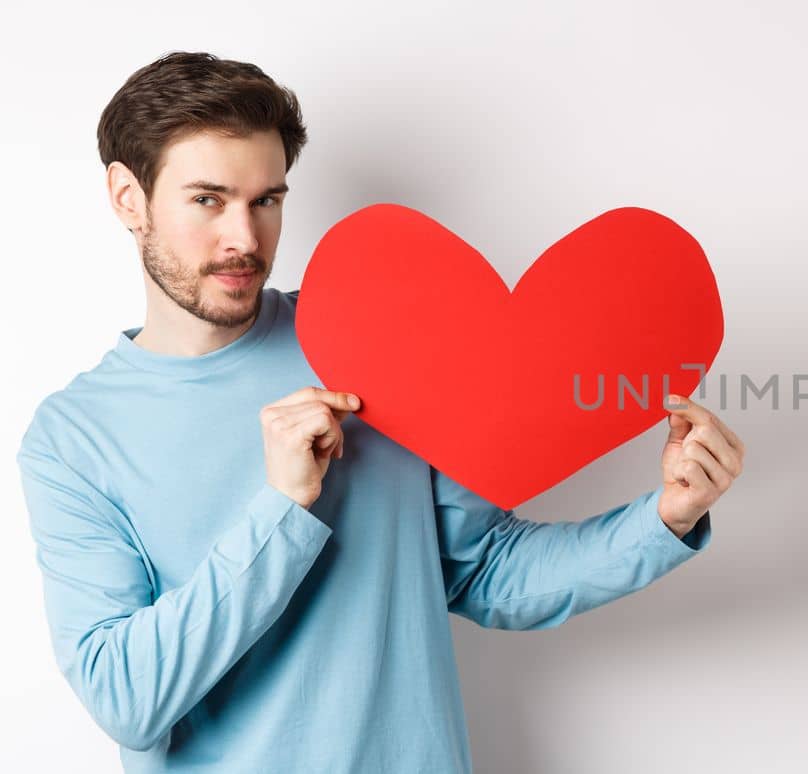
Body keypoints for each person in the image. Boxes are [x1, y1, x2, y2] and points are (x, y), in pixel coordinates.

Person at [15, 50, 745, 773]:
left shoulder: (371, 337)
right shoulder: (71, 438)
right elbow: (126, 699)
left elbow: (482, 572)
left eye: (267, 200)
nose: (245, 238)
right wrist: (283, 510)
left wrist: (665, 519)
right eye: (208, 199)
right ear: (127, 198)